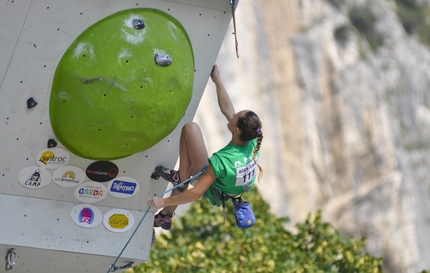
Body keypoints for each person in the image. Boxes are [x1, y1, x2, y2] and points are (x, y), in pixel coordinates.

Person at [147, 64, 263, 230]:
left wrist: (163, 201)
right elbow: (228, 109)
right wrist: (217, 81)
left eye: (235, 117)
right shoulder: (253, 138)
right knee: (192, 137)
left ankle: (181, 178)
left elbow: (197, 193)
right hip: (231, 187)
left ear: (236, 130)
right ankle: (167, 212)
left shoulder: (222, 161)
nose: (232, 115)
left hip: (214, 189)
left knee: (190, 128)